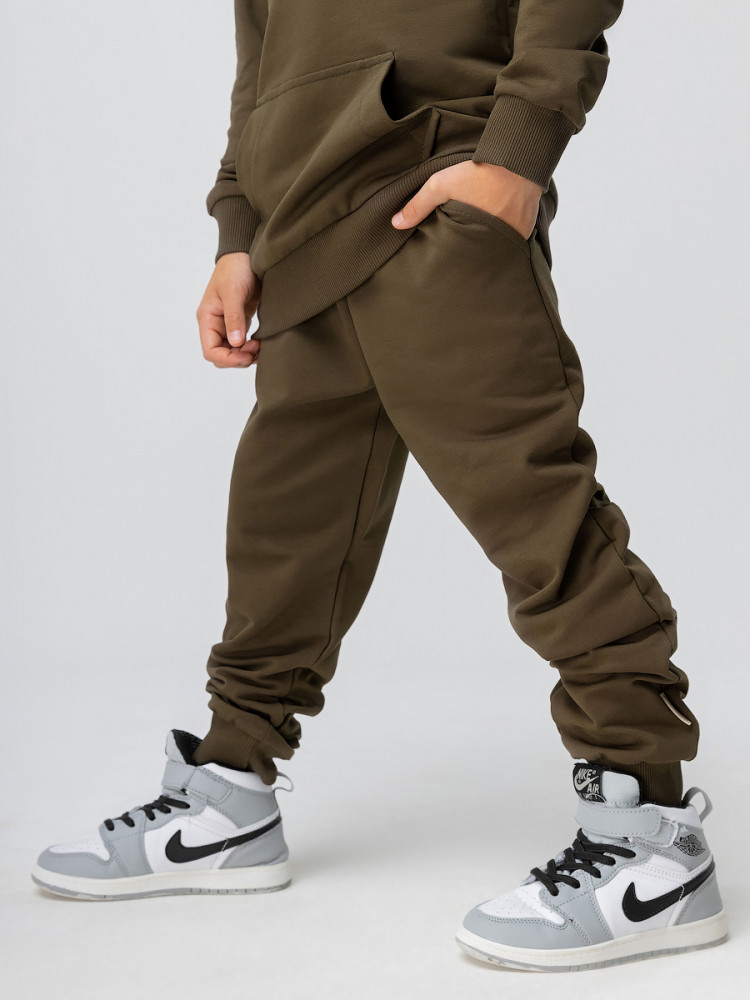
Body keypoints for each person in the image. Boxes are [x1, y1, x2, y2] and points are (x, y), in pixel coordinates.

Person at [32, 0, 728, 972]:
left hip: (434, 199)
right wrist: (238, 230)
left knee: (536, 518)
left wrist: (517, 154)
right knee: (283, 530)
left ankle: (652, 834)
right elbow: (263, 55)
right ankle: (229, 794)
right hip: (298, 241)